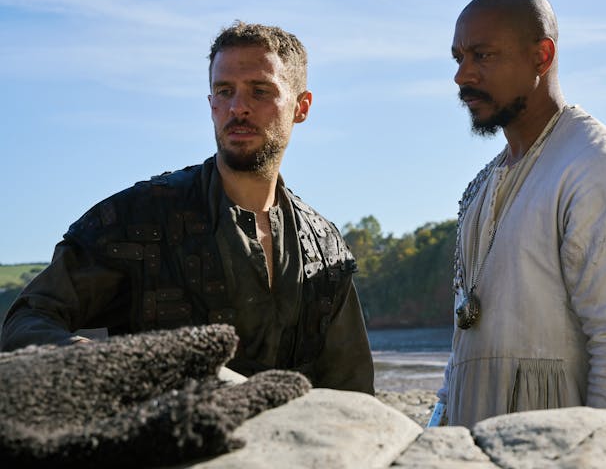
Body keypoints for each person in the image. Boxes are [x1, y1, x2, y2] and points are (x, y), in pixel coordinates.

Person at [1, 21, 374, 394]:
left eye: (260, 91)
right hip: (169, 442)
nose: (237, 107)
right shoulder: (140, 218)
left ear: (301, 106)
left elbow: (353, 387)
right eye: (224, 91)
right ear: (211, 103)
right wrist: (87, 358)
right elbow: (28, 318)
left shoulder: (323, 248)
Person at [436, 0, 606, 427]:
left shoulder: (598, 168)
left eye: (482, 55)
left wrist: (604, 456)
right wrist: (438, 433)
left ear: (541, 56)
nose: (462, 75)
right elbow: (463, 341)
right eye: (458, 58)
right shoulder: (484, 183)